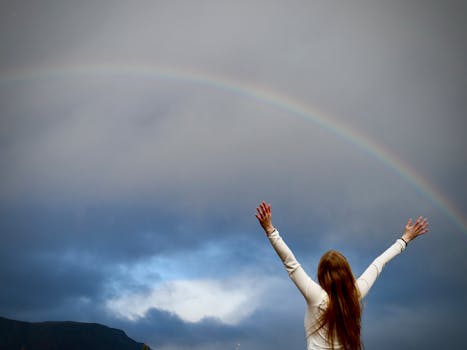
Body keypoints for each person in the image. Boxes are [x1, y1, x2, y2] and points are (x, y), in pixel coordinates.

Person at [255, 201, 429, 350]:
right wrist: (405, 239)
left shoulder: (317, 297)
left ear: (321, 275)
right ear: (347, 272)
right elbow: (379, 263)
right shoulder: (355, 294)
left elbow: (291, 263)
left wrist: (270, 229)